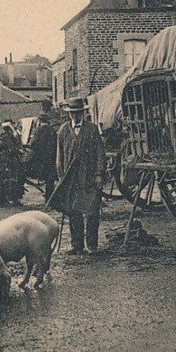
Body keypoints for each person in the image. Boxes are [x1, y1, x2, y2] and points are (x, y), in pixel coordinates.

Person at [49, 98, 106, 256]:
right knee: (74, 212)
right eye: (72, 113)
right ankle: (77, 245)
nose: (75, 116)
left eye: (78, 113)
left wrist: (99, 174)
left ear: (83, 113)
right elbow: (59, 156)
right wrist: (61, 176)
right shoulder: (63, 131)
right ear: (69, 114)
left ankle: (92, 245)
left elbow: (100, 154)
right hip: (71, 179)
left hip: (89, 178)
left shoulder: (92, 129)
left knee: (92, 212)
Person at [0, 121, 25, 205]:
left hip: (7, 161)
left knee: (7, 181)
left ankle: (7, 200)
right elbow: (12, 149)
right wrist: (17, 150)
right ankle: (10, 200)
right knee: (10, 181)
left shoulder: (2, 137)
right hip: (9, 161)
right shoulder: (8, 137)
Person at [28, 113, 58, 202]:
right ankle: (49, 197)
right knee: (50, 179)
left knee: (43, 176)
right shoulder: (52, 130)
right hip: (51, 157)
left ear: (40, 121)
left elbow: (33, 144)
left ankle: (48, 197)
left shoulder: (38, 130)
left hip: (41, 158)